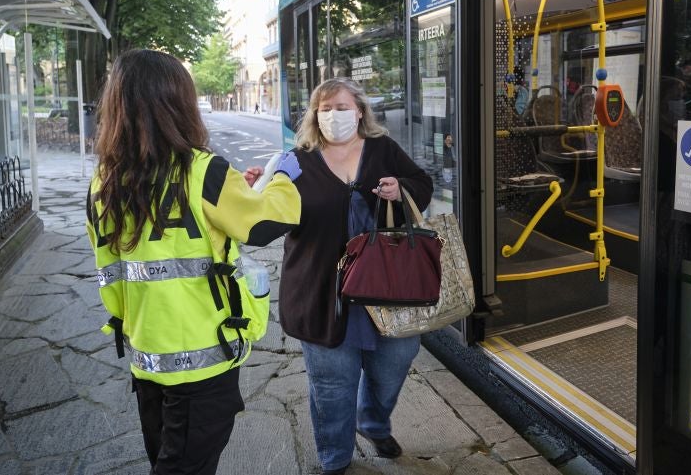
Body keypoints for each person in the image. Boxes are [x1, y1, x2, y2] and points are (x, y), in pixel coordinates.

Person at [85, 49, 302, 475]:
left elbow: (115, 265)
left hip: (146, 355)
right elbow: (266, 224)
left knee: (168, 456)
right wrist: (281, 180)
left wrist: (238, 190)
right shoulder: (203, 171)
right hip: (205, 361)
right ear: (178, 103)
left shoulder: (104, 180)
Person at [245, 77, 432, 475]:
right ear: (314, 115)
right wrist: (253, 191)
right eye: (324, 109)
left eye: (342, 107)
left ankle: (373, 423)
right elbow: (262, 224)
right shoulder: (296, 161)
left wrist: (401, 189)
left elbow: (423, 185)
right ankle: (335, 458)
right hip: (322, 295)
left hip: (388, 289)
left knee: (392, 368)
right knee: (331, 388)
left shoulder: (383, 150)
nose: (333, 116)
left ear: (360, 111)